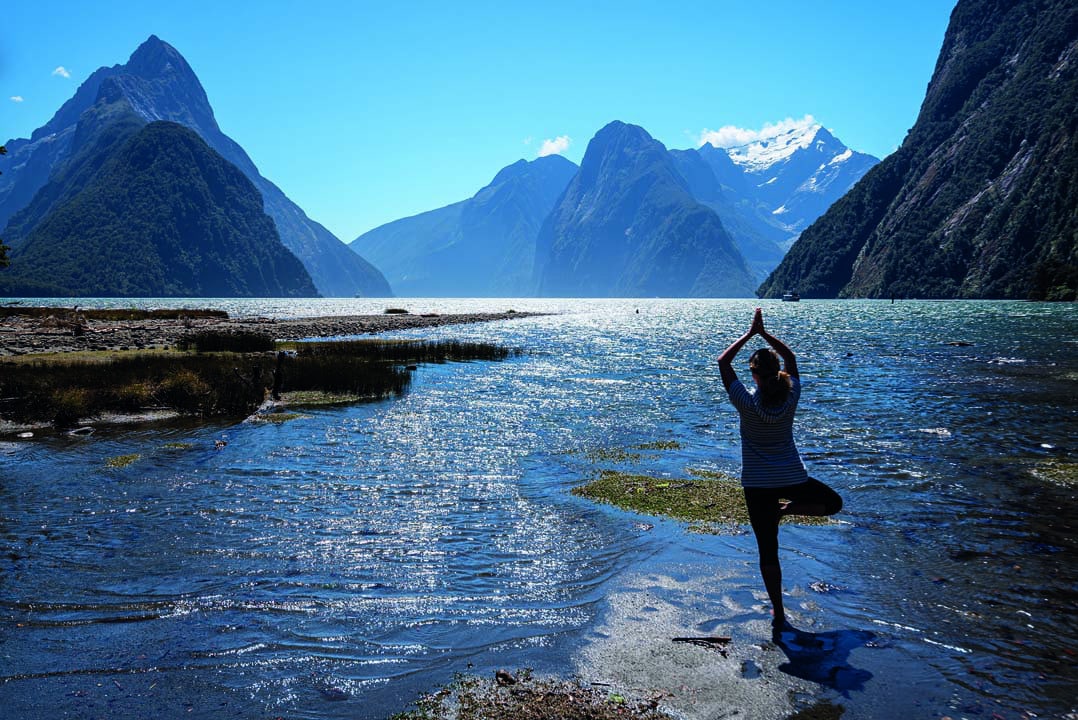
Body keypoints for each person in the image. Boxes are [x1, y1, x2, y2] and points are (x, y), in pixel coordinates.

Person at [718, 308, 842, 639]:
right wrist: (765, 334)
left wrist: (749, 334)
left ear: (754, 376)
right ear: (779, 373)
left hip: (757, 485)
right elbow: (791, 357)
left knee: (767, 550)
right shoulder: (791, 397)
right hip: (792, 478)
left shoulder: (745, 402)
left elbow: (723, 363)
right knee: (832, 504)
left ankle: (779, 610)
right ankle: (786, 510)